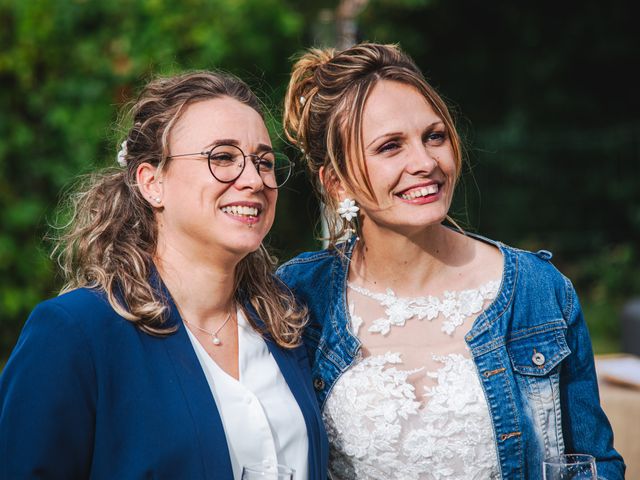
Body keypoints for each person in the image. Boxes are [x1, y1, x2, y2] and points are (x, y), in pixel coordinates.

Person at [277, 43, 625, 479]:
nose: (425, 162)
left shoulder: (538, 291)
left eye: (434, 136)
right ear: (337, 182)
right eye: (390, 147)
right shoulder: (296, 297)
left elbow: (594, 463)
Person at [0, 71, 328, 480]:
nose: (254, 179)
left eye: (264, 162)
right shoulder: (75, 333)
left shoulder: (289, 323)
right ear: (152, 182)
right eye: (222, 157)